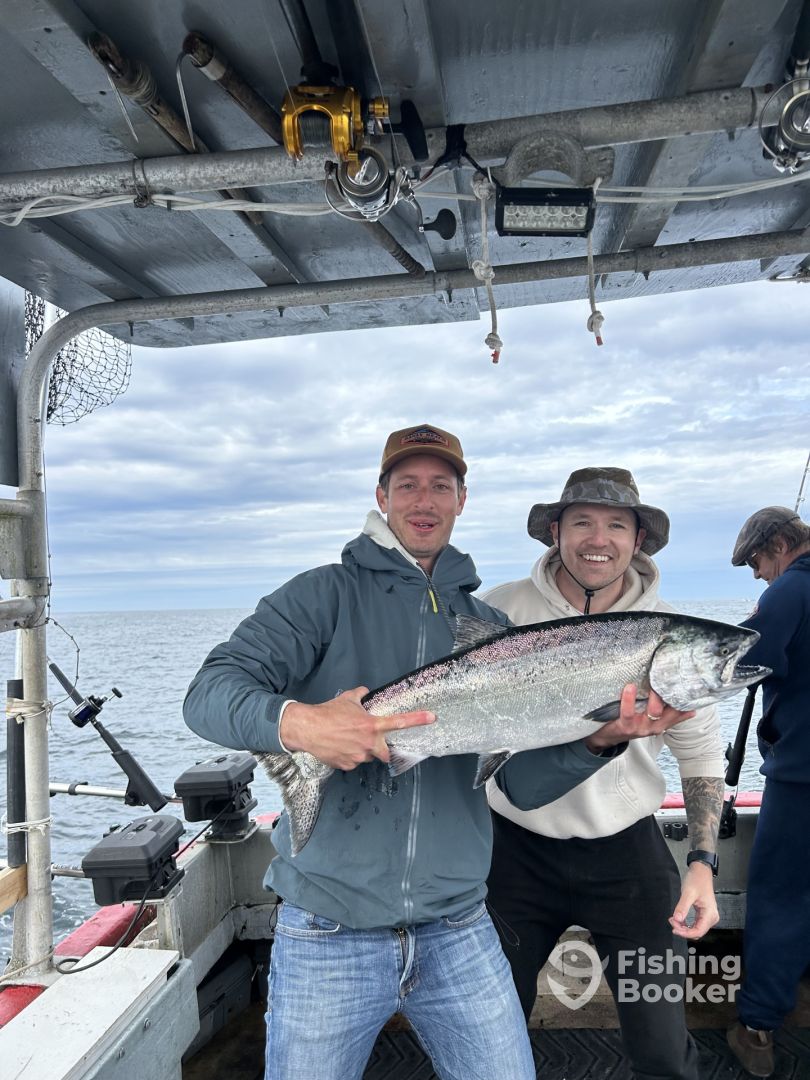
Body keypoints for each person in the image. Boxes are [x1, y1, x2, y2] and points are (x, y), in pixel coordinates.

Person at [184, 430, 691, 1080]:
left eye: (440, 486)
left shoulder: (491, 625)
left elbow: (524, 784)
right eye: (408, 485)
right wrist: (300, 724)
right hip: (328, 927)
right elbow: (208, 693)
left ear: (461, 500)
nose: (424, 500)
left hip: (459, 928)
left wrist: (602, 739)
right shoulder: (320, 596)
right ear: (382, 497)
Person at [483, 467, 725, 1080]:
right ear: (555, 532)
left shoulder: (676, 638)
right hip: (510, 853)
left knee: (663, 1049)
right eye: (582, 522)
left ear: (638, 538)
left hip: (628, 857)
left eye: (617, 524)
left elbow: (700, 757)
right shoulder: (500, 610)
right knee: (485, 1035)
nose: (599, 538)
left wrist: (702, 867)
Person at [726, 506, 810, 1078]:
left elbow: (739, 659)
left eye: (757, 560)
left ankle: (756, 1030)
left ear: (780, 544)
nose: (758, 574)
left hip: (802, 781)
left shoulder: (789, 591)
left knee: (782, 899)